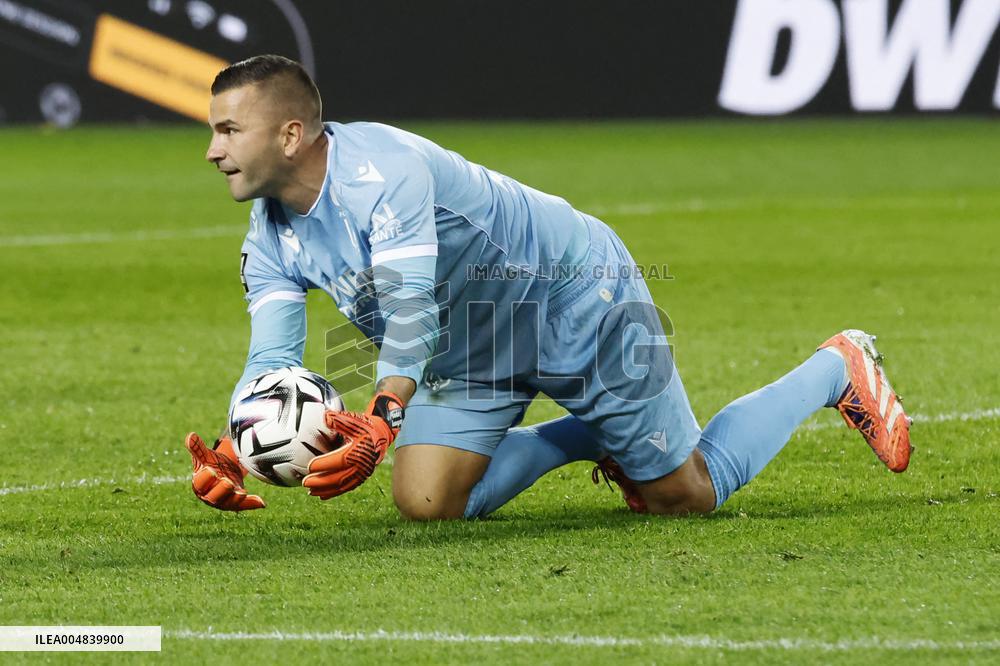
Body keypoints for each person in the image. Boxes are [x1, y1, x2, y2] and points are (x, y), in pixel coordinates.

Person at [185, 55, 913, 519]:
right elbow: (270, 360)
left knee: (683, 495)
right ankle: (591, 433)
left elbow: (409, 311)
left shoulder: (385, 173)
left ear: (288, 135)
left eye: (228, 130)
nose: (214, 151)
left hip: (572, 299)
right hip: (471, 347)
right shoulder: (269, 236)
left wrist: (380, 417)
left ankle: (836, 366)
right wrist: (238, 442)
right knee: (427, 503)